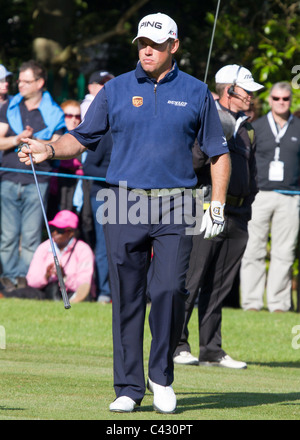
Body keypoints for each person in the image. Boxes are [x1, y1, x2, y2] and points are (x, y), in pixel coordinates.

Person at [18, 13, 231, 414]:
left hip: (177, 201)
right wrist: (49, 148)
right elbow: (81, 137)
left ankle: (161, 377)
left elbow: (218, 153)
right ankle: (129, 387)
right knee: (127, 297)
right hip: (122, 200)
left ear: (174, 46)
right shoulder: (115, 89)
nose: (146, 50)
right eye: (141, 43)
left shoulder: (196, 91)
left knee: (169, 290)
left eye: (154, 43)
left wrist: (216, 203)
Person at [173, 64, 262, 369]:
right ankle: (177, 344)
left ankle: (211, 348)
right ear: (229, 91)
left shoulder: (247, 127)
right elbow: (195, 162)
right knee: (193, 279)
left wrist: (247, 208)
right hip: (206, 208)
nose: (250, 97)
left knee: (220, 286)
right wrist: (206, 129)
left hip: (238, 214)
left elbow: (251, 173)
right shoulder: (212, 119)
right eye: (246, 91)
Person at [0, 60, 66, 291]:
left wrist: (37, 143)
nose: (20, 85)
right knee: (8, 235)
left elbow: (59, 143)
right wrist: (17, 139)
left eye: (26, 81)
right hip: (9, 177)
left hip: (38, 179)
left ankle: (24, 281)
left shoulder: (54, 113)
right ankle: (8, 278)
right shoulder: (9, 108)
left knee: (30, 236)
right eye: (19, 80)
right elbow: (0, 141)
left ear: (40, 83)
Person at [240, 82, 300, 312]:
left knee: (284, 253)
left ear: (291, 100)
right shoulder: (256, 127)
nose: (281, 102)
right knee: (253, 249)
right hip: (260, 196)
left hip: (291, 196)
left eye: (285, 99)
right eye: (276, 98)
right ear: (270, 100)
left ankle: (279, 304)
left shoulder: (298, 127)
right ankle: (252, 303)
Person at [0, 210, 95, 303]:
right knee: (27, 292)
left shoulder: (83, 250)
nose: (54, 233)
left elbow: (84, 284)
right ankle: (4, 296)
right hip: (46, 290)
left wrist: (64, 277)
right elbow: (31, 281)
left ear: (71, 232)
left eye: (60, 230)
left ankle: (73, 301)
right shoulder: (44, 247)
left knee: (81, 296)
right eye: (53, 229)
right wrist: (46, 276)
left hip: (69, 290)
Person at [82, 72, 114, 304]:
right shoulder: (104, 134)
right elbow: (89, 168)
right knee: (104, 246)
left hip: (128, 195)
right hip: (103, 195)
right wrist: (118, 176)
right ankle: (104, 292)